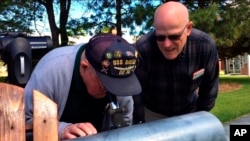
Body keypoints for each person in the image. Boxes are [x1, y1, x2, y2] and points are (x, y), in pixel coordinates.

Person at [24, 33, 141, 140]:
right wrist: (60, 130)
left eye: (118, 84)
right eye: (104, 82)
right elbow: (23, 121)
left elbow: (125, 125)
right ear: (85, 67)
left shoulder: (119, 74)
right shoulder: (51, 71)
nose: (110, 89)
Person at [133, 1, 219, 124]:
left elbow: (209, 89)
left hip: (190, 111)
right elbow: (136, 95)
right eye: (160, 37)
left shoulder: (204, 46)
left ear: (188, 28)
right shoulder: (143, 48)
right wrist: (140, 123)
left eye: (174, 36)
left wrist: (200, 118)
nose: (167, 45)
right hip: (153, 114)